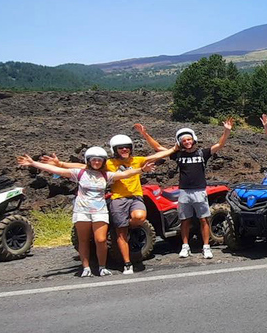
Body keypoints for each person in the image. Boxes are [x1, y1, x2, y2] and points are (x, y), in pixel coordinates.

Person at [41, 133, 159, 275]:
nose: (124, 149)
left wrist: (173, 146)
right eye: (120, 148)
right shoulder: (105, 165)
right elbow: (81, 166)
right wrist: (60, 164)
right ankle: (91, 267)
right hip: (93, 207)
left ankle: (103, 266)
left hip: (110, 205)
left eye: (126, 147)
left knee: (103, 238)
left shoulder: (117, 169)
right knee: (87, 239)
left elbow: (129, 172)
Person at [17, 147, 145, 277]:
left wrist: (142, 170)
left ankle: (102, 267)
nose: (96, 162)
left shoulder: (106, 175)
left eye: (99, 160)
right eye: (93, 160)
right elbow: (57, 170)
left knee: (100, 240)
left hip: (100, 211)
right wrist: (33, 163)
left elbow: (125, 174)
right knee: (83, 240)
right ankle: (86, 268)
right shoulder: (79, 173)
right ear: (88, 161)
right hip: (82, 211)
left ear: (103, 161)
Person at [171, 119, 234, 259]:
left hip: (199, 191)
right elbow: (159, 149)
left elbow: (220, 144)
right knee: (184, 220)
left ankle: (206, 247)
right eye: (184, 140)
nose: (187, 142)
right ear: (180, 142)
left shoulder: (202, 153)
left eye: (189, 139)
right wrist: (145, 134)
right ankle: (185, 246)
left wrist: (227, 130)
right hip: (184, 192)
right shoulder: (178, 155)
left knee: (204, 219)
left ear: (193, 140)